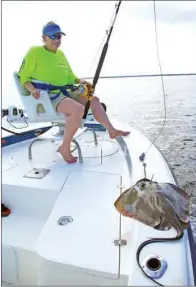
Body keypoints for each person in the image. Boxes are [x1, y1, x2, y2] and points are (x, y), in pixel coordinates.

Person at [18, 21, 130, 163]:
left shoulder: (61, 55)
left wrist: (82, 82)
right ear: (43, 38)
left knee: (93, 100)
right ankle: (64, 147)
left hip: (64, 94)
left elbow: (71, 78)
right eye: (53, 36)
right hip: (46, 98)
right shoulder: (35, 52)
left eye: (59, 36)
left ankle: (111, 130)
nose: (57, 40)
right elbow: (23, 77)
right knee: (77, 109)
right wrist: (32, 90)